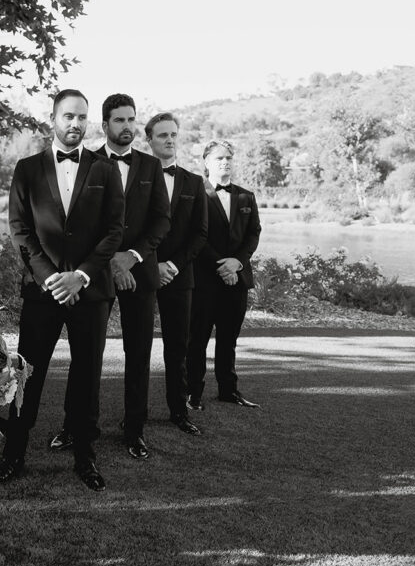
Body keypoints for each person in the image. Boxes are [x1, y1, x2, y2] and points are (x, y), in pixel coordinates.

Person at [0, 89, 123, 491]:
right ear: (52, 118)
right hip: (41, 292)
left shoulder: (105, 170)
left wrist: (79, 275)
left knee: (87, 377)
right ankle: (13, 456)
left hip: (90, 292)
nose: (75, 123)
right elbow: (20, 229)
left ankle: (86, 459)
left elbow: (114, 230)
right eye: (68, 116)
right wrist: (52, 277)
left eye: (82, 117)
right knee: (27, 376)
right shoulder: (27, 168)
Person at [47, 94, 169, 460]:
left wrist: (131, 257)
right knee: (88, 355)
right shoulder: (87, 161)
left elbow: (161, 220)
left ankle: (135, 430)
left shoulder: (150, 166)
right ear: (104, 125)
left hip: (139, 271)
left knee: (139, 353)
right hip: (94, 274)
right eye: (119, 120)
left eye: (132, 120)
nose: (127, 127)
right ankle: (77, 426)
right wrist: (108, 264)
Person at [187, 139, 261, 409]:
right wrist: (222, 265)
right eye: (219, 158)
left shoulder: (246, 196)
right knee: (197, 340)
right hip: (205, 279)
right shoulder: (197, 193)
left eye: (228, 157)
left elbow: (253, 233)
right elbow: (195, 235)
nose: (225, 162)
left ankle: (228, 391)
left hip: (237, 280)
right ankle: (192, 393)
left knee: (229, 340)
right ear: (206, 162)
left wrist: (237, 263)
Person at [146, 113, 207, 434]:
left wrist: (173, 265)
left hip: (179, 275)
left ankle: (178, 412)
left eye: (173, 135)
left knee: (178, 346)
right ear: (150, 141)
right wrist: (151, 263)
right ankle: (135, 412)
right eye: (162, 135)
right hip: (142, 271)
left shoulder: (194, 183)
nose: (169, 140)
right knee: (139, 347)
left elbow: (200, 233)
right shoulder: (136, 179)